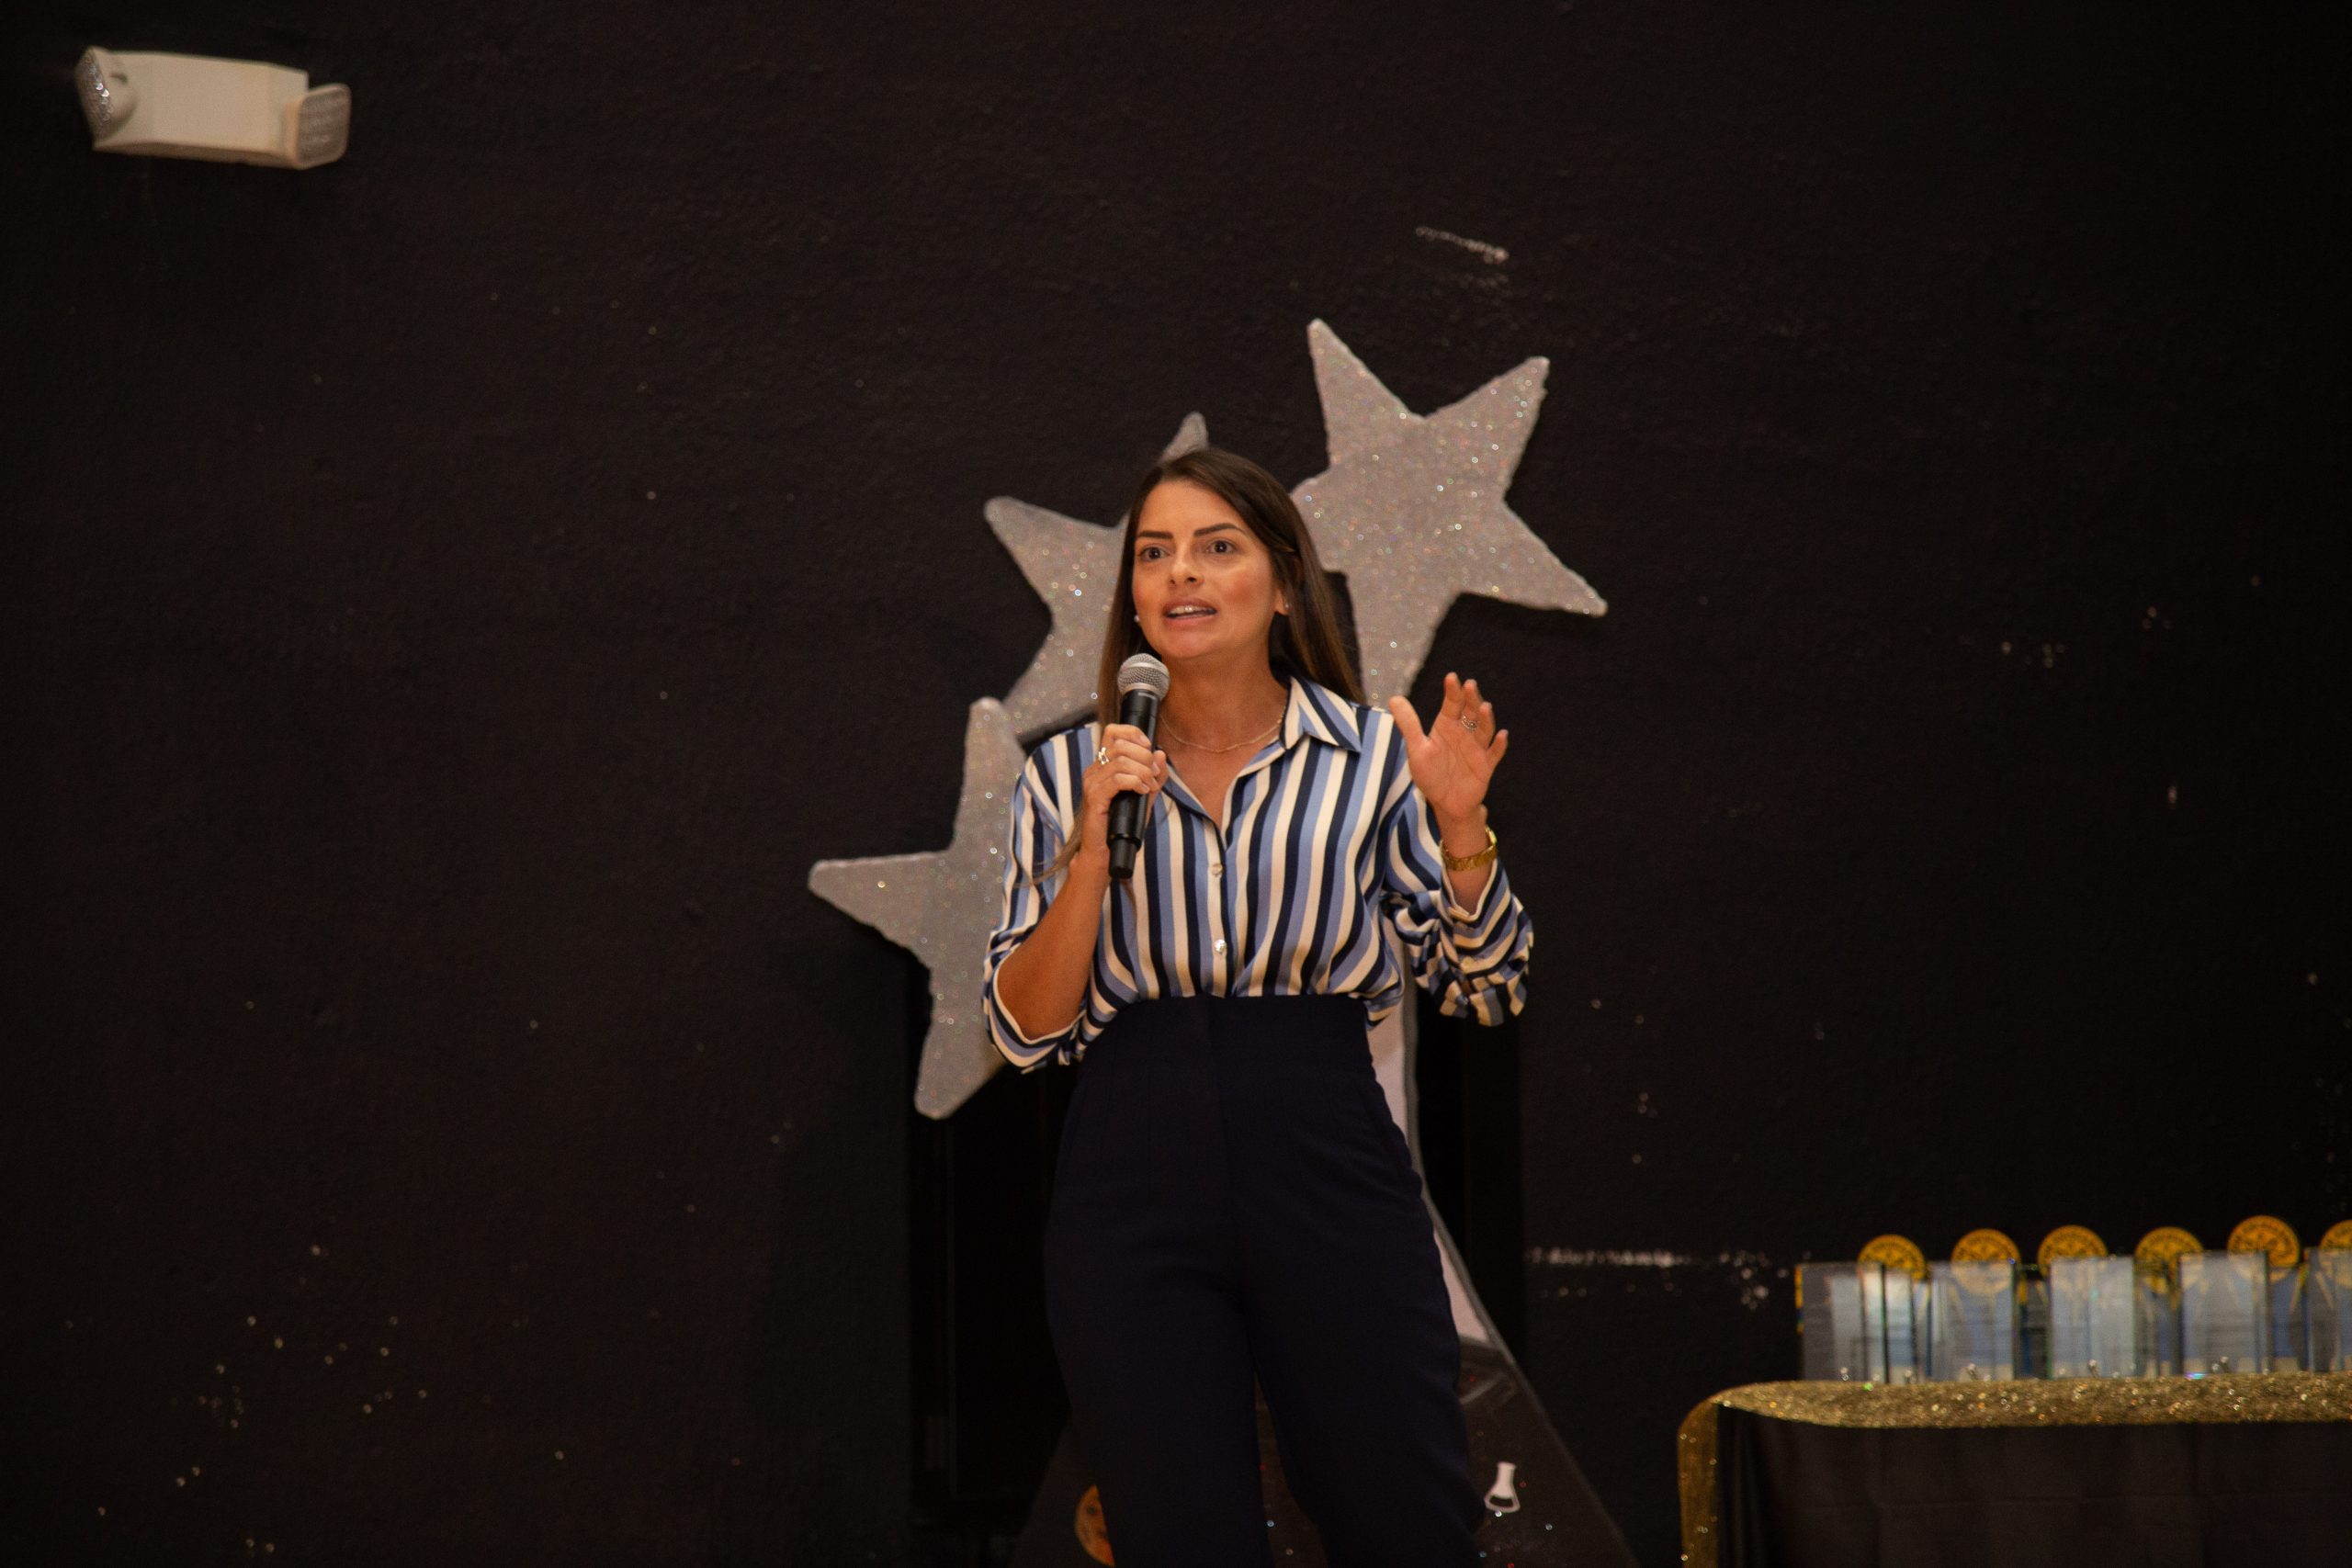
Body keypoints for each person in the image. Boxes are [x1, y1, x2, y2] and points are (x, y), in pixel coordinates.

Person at [982, 446, 1532, 1567]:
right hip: (1131, 1164)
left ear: (1283, 584)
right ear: (1133, 595)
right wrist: (1089, 852)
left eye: (1216, 546)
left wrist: (1463, 834)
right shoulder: (1070, 772)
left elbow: (1485, 987)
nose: (1180, 573)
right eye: (1154, 554)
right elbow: (1025, 1033)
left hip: (1324, 1145)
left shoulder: (1373, 759)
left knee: (1403, 1512)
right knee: (1174, 1529)